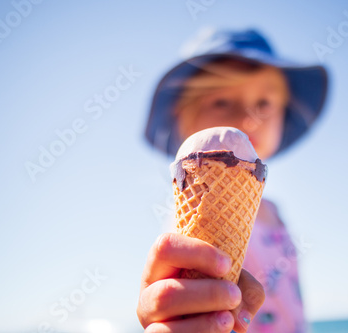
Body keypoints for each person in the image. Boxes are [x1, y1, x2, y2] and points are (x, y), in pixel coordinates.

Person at [137, 28, 328, 333]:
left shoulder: (276, 211)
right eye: (222, 102)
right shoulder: (193, 209)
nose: (247, 117)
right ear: (183, 117)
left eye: (264, 103)